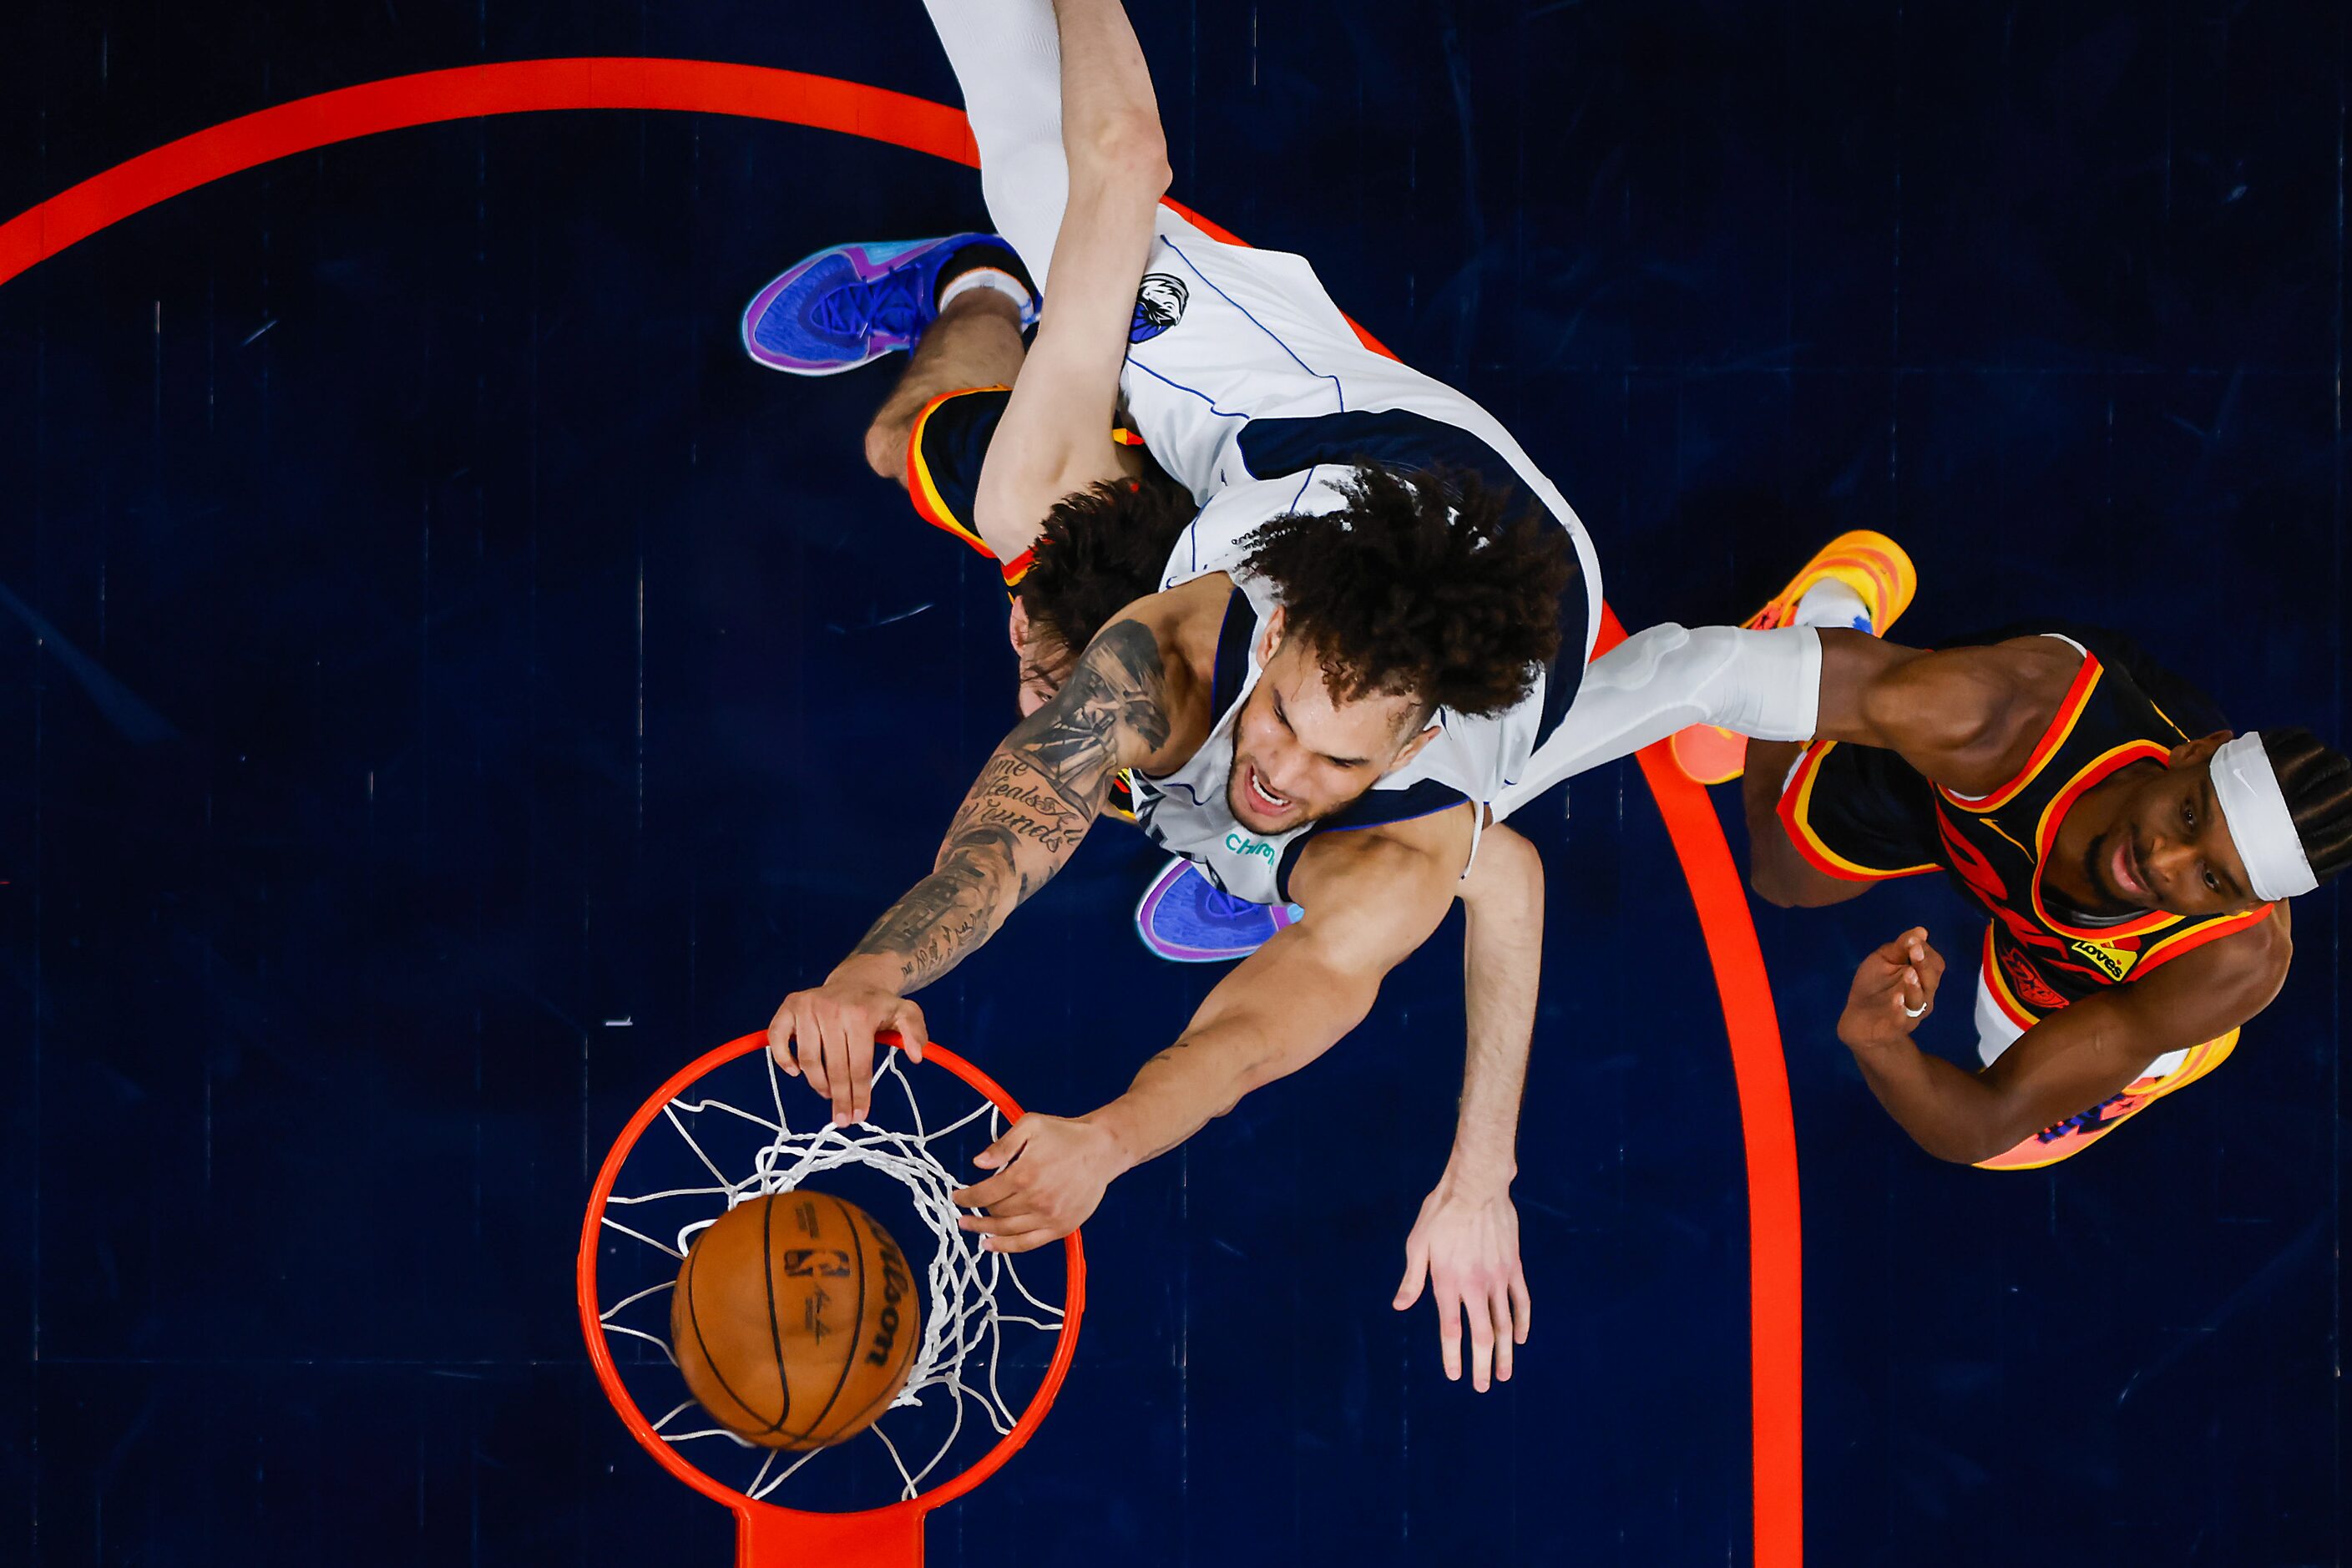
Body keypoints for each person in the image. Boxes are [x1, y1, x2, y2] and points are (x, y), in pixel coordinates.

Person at [751, 0, 1873, 1389]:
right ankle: (983, 294)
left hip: (1495, 582)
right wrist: (880, 966)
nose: (1277, 763)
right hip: (1302, 482)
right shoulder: (1114, 577)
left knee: (1616, 719)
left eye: (1313, 772)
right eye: (1275, 727)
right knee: (932, 409)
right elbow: (1030, 797)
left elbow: (1301, 1001)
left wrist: (1472, 1172)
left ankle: (1788, 651)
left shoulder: (1423, 761)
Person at [1738, 615, 2349, 1168]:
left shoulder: (2223, 965)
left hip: (2076, 972)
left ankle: (2169, 1055)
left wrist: (1878, 1046)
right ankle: (1825, 618)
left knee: (2007, 1143)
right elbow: (1878, 693)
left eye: (2211, 878)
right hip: (1986, 795)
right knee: (1779, 874)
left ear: (2247, 906)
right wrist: (1767, 682)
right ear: (2189, 756)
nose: (2161, 862)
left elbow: (1982, 1123)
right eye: (2187, 819)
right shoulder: (2034, 717)